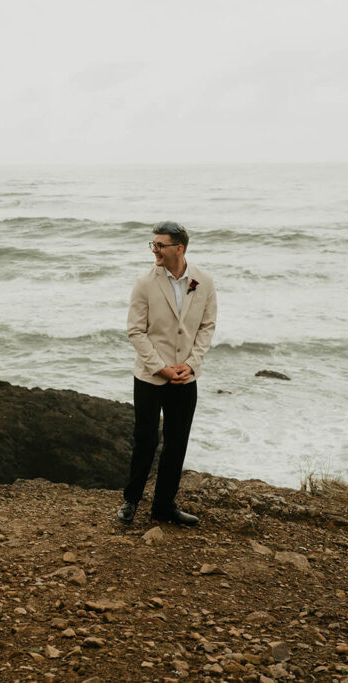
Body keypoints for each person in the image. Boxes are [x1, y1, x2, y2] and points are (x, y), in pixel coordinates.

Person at [117, 221, 217, 526]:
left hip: (186, 377)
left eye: (160, 245)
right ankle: (131, 502)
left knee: (177, 442)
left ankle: (164, 506)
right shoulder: (145, 283)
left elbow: (206, 327)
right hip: (151, 376)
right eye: (153, 245)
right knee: (145, 440)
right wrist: (160, 367)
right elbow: (135, 331)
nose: (155, 250)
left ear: (179, 248)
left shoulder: (204, 281)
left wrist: (191, 364)